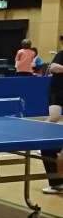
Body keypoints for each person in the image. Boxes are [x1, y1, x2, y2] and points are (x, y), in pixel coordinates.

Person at [41, 35, 63, 194]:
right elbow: (53, 67)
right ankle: (43, 136)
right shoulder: (61, 54)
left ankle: (57, 183)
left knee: (50, 149)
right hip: (57, 91)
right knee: (54, 117)